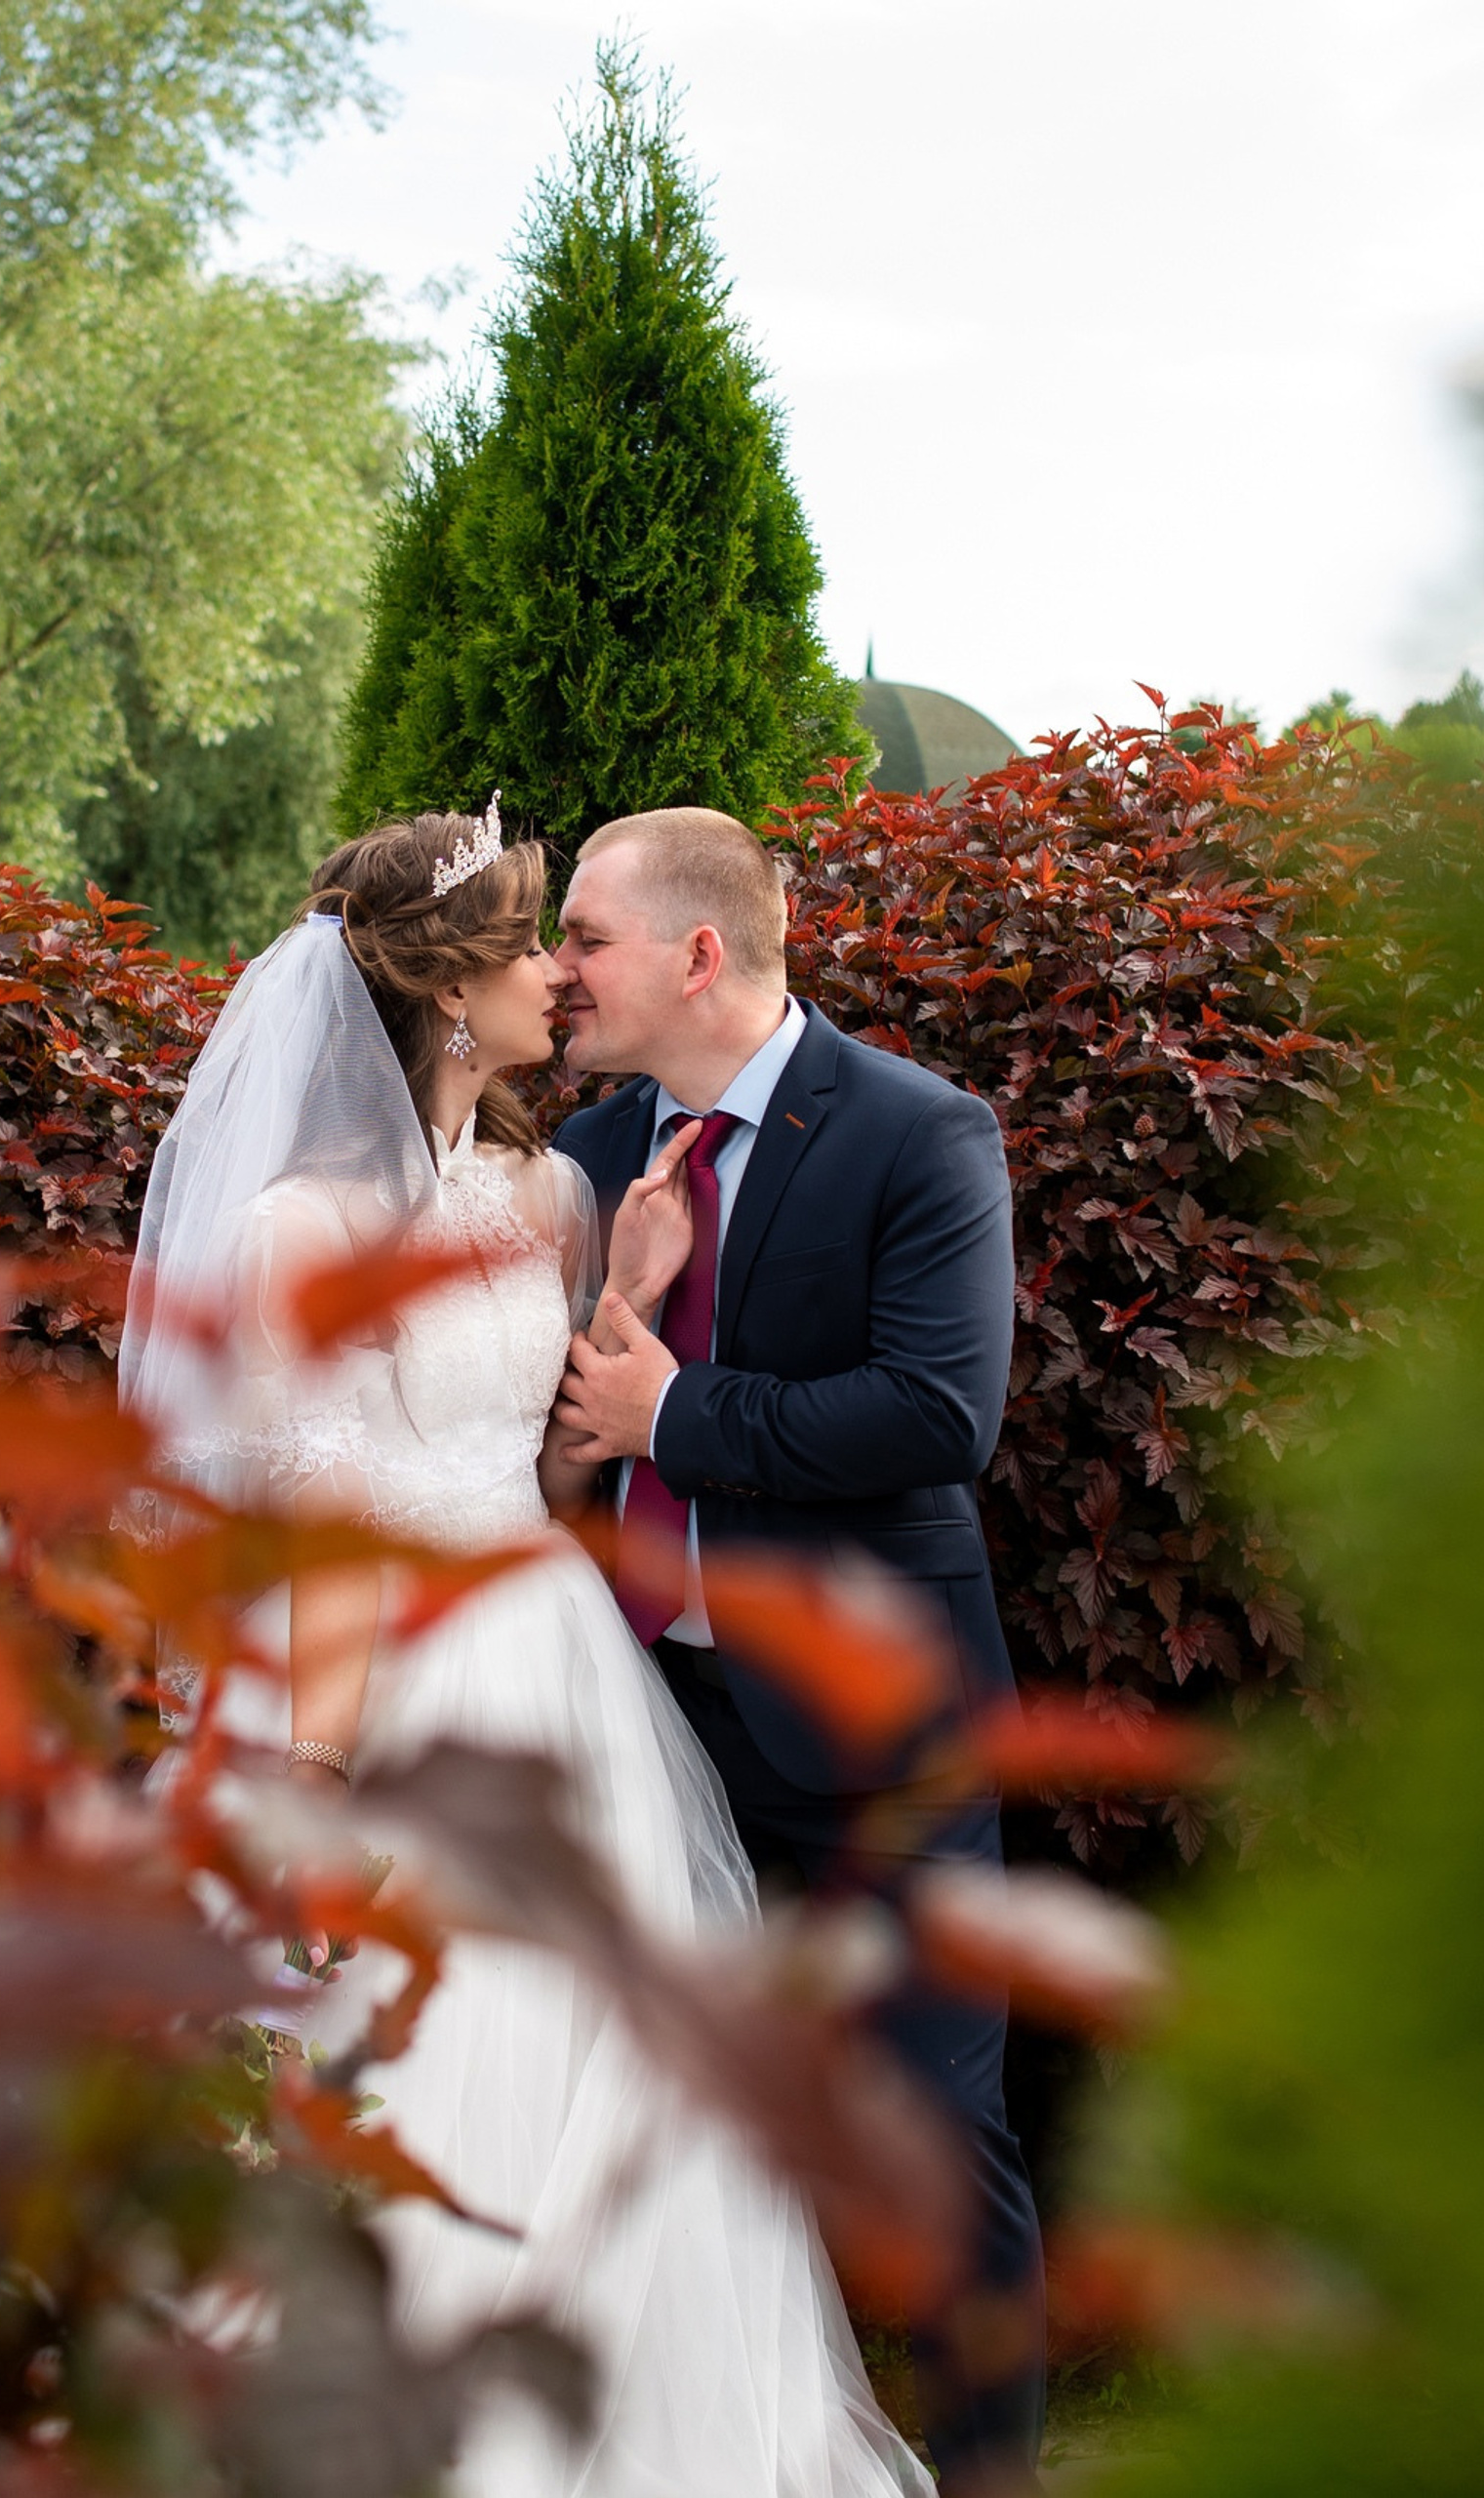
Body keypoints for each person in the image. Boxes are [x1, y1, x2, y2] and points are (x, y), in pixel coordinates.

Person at [120, 806, 932, 2498]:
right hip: (396, 1688)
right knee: (423, 2081)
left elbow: (550, 1464)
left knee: (620, 2093)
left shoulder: (548, 1193)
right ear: (441, 990)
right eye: (522, 950)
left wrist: (626, 1299)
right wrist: (316, 1773)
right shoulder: (300, 1233)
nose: (555, 978)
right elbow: (323, 1539)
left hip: (563, 1672)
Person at [547, 808, 1045, 2491]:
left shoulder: (920, 1132)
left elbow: (936, 1412)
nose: (559, 969)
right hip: (656, 1728)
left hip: (871, 1734)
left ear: (700, 953)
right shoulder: (595, 1148)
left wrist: (674, 1413)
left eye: (586, 935)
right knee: (663, 2133)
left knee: (935, 2129)